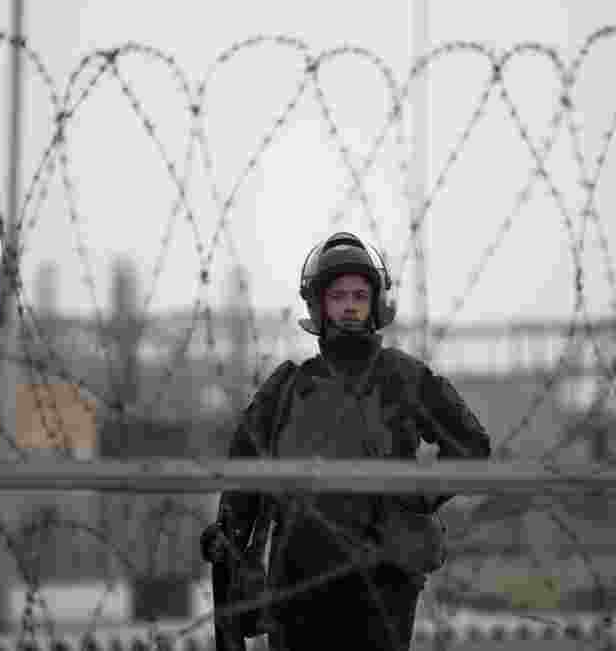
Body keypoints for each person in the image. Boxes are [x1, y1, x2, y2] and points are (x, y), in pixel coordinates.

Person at [201, 232, 491, 651]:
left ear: (376, 302)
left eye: (359, 294)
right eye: (338, 296)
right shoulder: (286, 389)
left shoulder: (402, 378)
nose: (350, 305)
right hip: (296, 586)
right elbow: (242, 483)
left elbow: (471, 445)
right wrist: (230, 541)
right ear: (318, 306)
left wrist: (414, 500)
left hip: (382, 583)